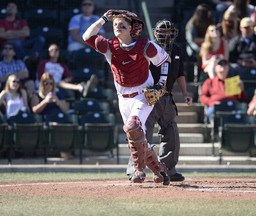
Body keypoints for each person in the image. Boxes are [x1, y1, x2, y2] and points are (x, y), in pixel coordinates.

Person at [82, 9, 170, 184]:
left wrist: (161, 83)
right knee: (137, 137)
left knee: (133, 125)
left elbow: (165, 60)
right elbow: (87, 36)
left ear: (132, 28)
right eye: (115, 25)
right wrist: (103, 19)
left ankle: (139, 171)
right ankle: (160, 170)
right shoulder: (109, 46)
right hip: (123, 98)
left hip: (142, 95)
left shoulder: (145, 45)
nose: (118, 27)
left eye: (122, 25)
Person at [126, 19, 192, 182]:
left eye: (170, 31)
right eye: (163, 31)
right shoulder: (148, 48)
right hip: (147, 96)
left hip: (167, 96)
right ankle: (135, 169)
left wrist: (185, 93)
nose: (167, 34)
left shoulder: (176, 49)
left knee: (171, 132)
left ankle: (168, 169)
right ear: (156, 33)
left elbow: (180, 73)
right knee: (142, 132)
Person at [30, 72, 72, 159]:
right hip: (46, 120)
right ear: (42, 83)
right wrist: (45, 101)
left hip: (60, 118)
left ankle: (66, 150)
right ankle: (62, 151)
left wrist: (57, 100)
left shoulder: (58, 94)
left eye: (51, 83)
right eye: (46, 83)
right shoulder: (37, 94)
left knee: (68, 125)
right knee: (56, 126)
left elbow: (66, 109)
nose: (49, 85)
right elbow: (35, 110)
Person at [200, 57, 247, 122]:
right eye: (220, 64)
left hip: (232, 106)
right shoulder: (209, 82)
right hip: (217, 107)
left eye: (225, 64)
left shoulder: (234, 81)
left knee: (241, 113)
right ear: (215, 68)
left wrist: (242, 90)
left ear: (228, 68)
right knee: (211, 111)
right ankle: (215, 129)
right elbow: (202, 97)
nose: (223, 66)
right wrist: (212, 102)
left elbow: (242, 99)